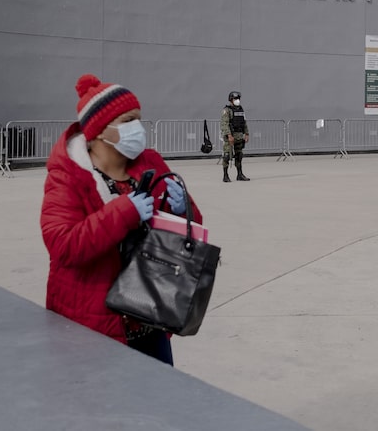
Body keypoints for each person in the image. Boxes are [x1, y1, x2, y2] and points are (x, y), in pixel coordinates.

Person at [40, 74, 201, 366]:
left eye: (139, 119)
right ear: (101, 130)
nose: (137, 128)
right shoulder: (68, 177)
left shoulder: (150, 163)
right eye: (128, 120)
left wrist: (182, 208)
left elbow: (190, 227)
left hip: (151, 317)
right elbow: (63, 246)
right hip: (94, 325)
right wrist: (123, 212)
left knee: (159, 404)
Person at [220, 90, 250, 182]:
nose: (237, 100)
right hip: (230, 136)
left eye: (238, 98)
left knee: (239, 155)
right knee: (227, 156)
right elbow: (224, 124)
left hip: (239, 136)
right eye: (235, 99)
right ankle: (225, 175)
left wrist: (247, 133)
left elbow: (244, 122)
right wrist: (229, 135)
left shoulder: (241, 109)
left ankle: (240, 174)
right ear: (231, 100)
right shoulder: (227, 110)